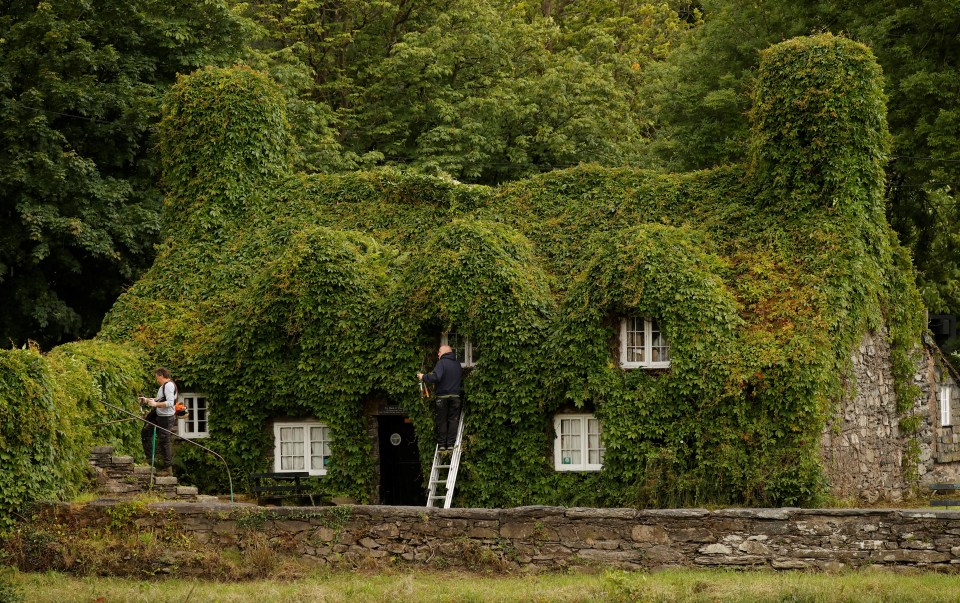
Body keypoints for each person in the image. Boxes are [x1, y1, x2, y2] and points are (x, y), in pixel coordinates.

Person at [417, 345, 463, 450]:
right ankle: (451, 444)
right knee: (453, 420)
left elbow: (436, 377)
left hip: (442, 397)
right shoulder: (457, 364)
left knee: (442, 420)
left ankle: (442, 445)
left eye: (439, 352)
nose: (438, 354)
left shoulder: (441, 363)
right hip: (455, 397)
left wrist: (423, 377)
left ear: (444, 352)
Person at [140, 367, 177, 475]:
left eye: (157, 378)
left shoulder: (169, 386)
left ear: (161, 376)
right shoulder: (163, 386)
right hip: (159, 416)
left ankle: (168, 469)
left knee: (164, 442)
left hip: (166, 418)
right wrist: (147, 400)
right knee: (145, 433)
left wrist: (155, 404)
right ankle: (150, 460)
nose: (157, 380)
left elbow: (170, 402)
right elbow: (160, 399)